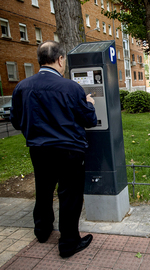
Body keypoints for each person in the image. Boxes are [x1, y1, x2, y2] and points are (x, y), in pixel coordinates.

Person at [10, 41, 97, 258]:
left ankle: (42, 230)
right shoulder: (71, 88)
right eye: (64, 60)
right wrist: (90, 104)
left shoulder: (22, 87)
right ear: (59, 60)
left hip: (39, 149)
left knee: (44, 189)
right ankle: (68, 243)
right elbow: (89, 120)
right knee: (70, 195)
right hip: (69, 150)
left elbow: (16, 121)